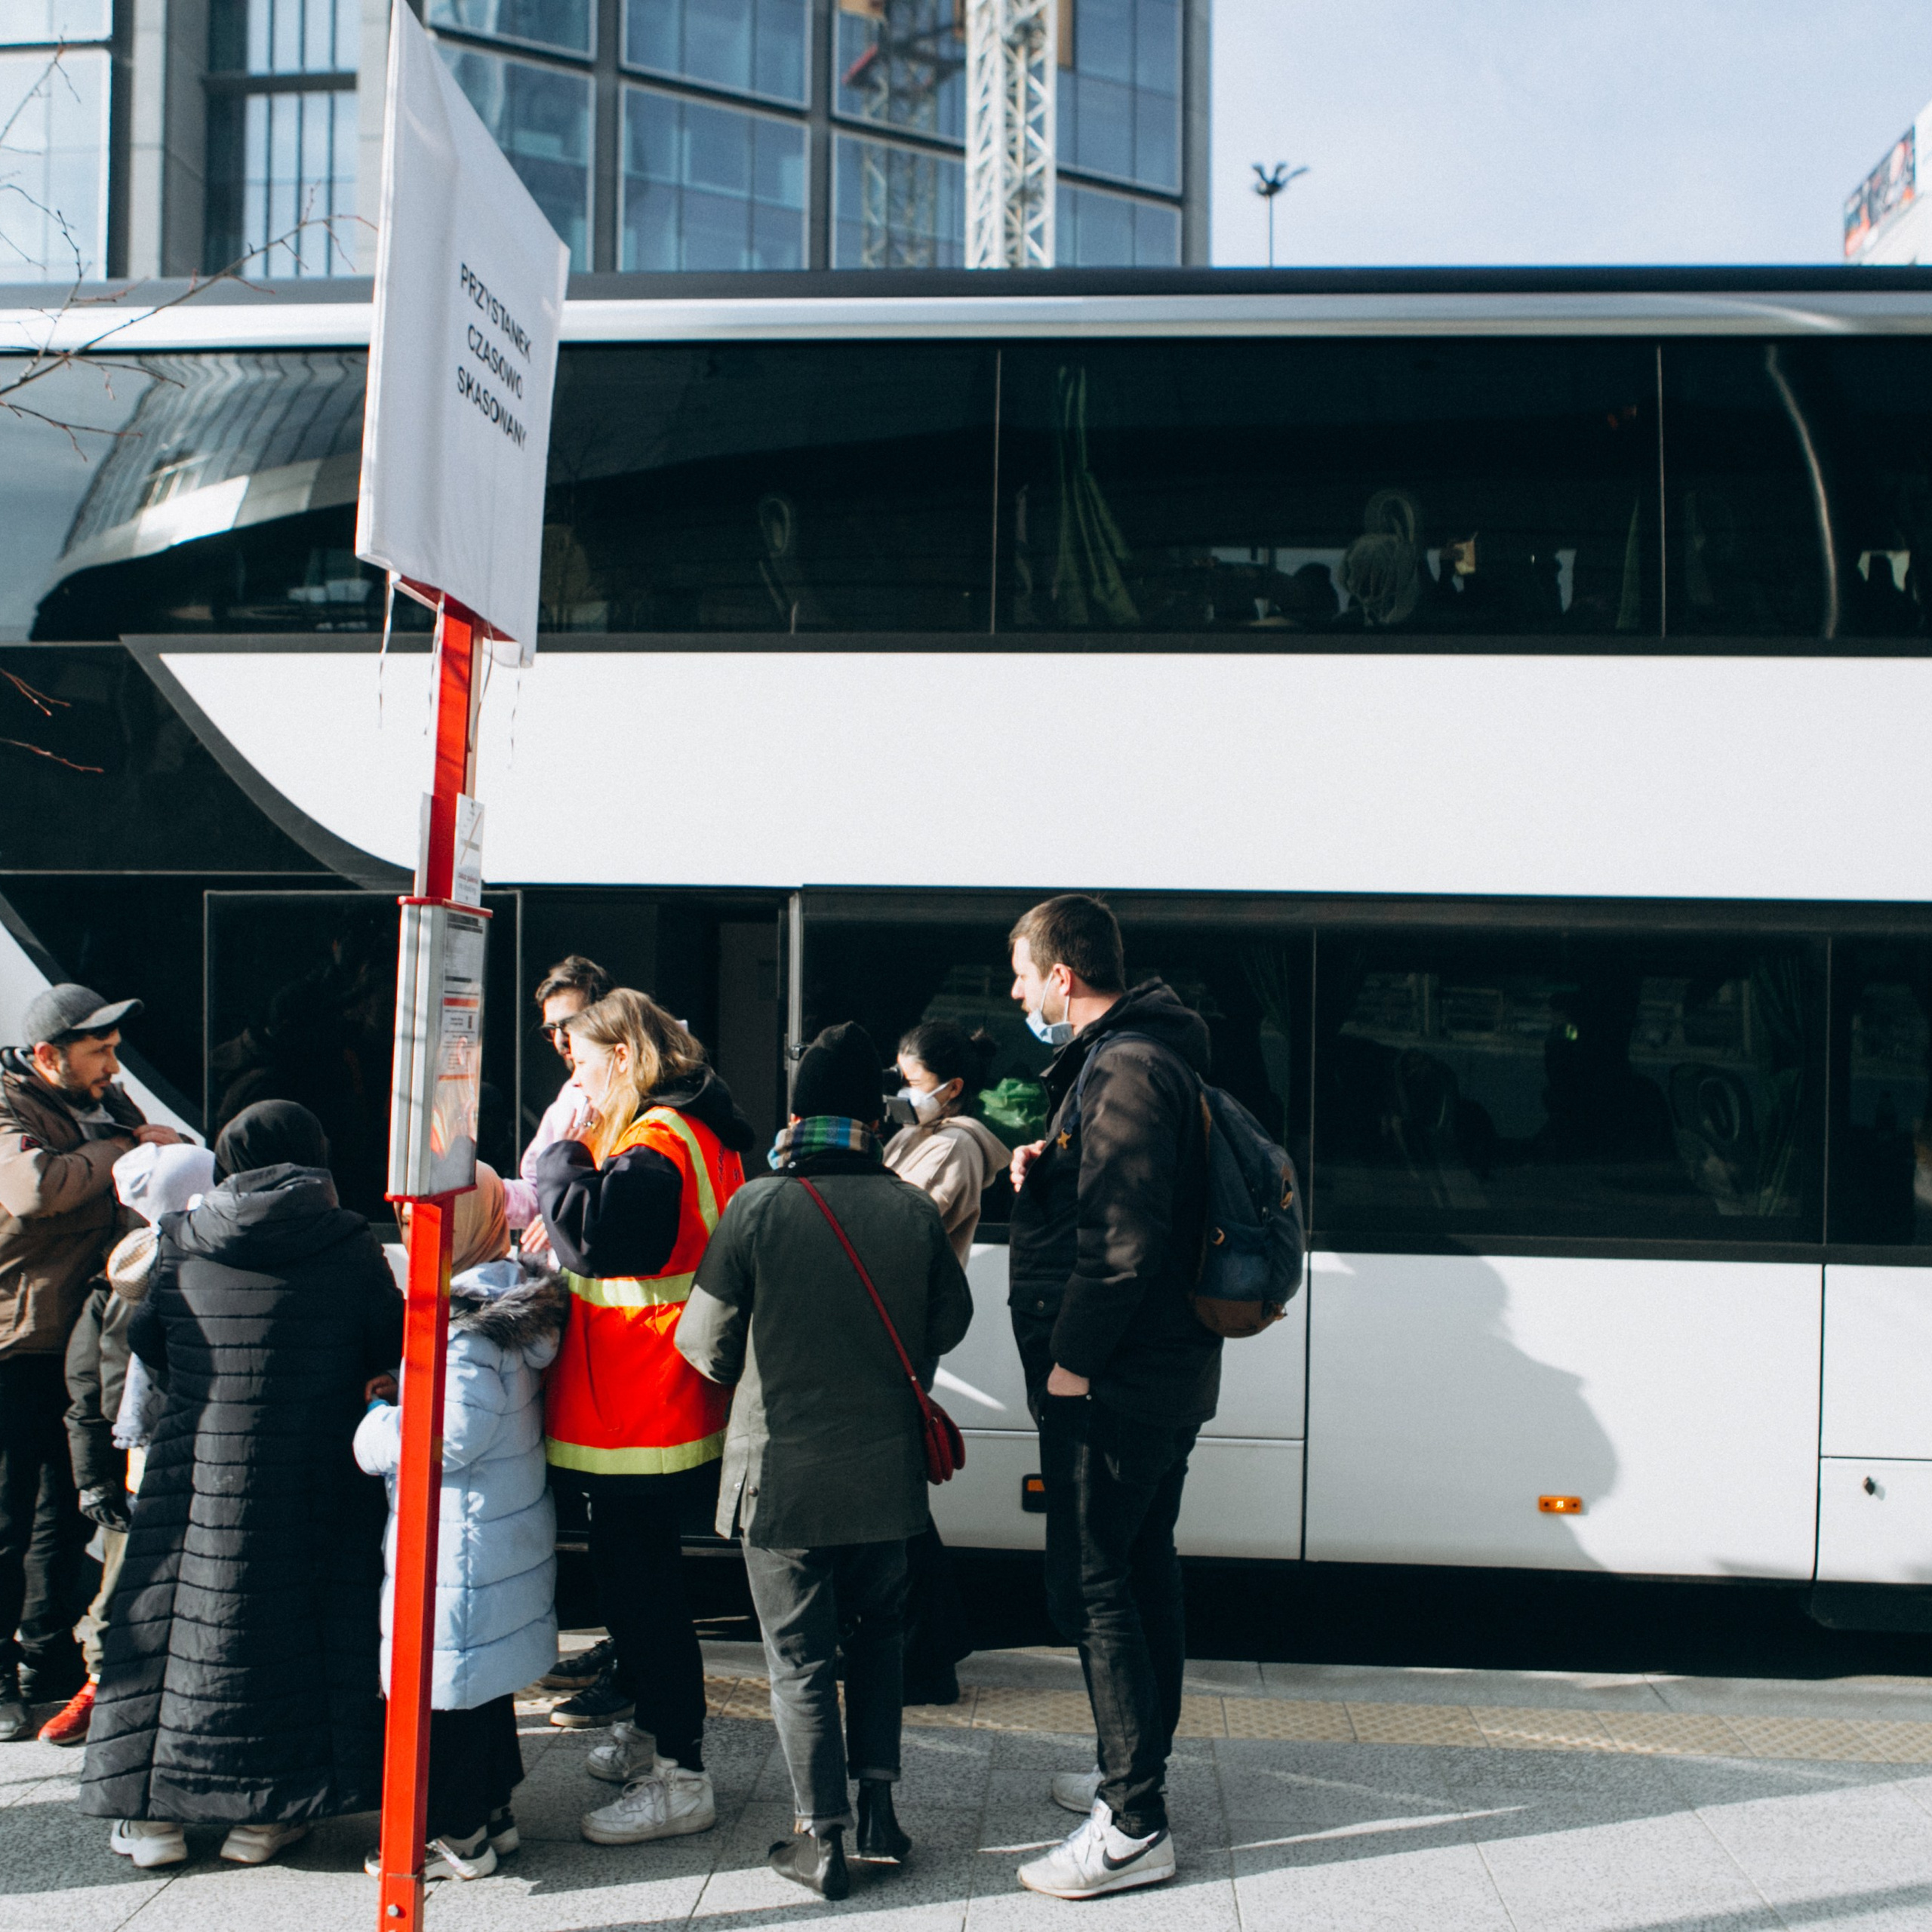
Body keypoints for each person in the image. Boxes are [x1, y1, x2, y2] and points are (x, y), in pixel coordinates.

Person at [678, 1023, 973, 1899]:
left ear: (795, 1116)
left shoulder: (757, 1206)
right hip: (885, 1476)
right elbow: (948, 1323)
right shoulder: (909, 1208)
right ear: (873, 1120)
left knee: (800, 1657)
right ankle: (879, 1811)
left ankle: (821, 1837)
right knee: (878, 1636)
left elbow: (706, 1346)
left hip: (781, 1477)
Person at [80, 1100, 403, 1869]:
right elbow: (387, 1340)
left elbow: (150, 1340)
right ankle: (265, 1818)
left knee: (172, 1633)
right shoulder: (348, 1241)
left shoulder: (183, 1237)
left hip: (194, 1468)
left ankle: (151, 1821)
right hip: (310, 1465)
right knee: (290, 1630)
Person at [1004, 895, 1214, 1900]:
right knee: (1141, 1566)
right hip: (1164, 1368)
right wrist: (1051, 1163)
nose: (1016, 994)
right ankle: (1133, 1771)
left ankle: (1133, 1821)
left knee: (1097, 1583)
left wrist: (1071, 1363)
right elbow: (1128, 1195)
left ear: (1063, 975)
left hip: (1122, 1374)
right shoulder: (1147, 1057)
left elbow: (1123, 1243)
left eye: (1022, 974)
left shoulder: (1124, 1066)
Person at [531, 988, 755, 1845]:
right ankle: (655, 1735)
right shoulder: (700, 1128)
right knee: (640, 1583)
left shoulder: (655, 1140)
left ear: (624, 1057)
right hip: (659, 1397)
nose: (580, 1085)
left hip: (638, 1402)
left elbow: (595, 1241)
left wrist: (561, 1151)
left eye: (586, 1066)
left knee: (644, 1593)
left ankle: (679, 1771)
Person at [356, 1163, 567, 1883]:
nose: (410, 1231)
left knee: (443, 1690)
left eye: (421, 1219)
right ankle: (494, 1815)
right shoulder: (509, 1302)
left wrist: (376, 1425)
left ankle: (458, 1835)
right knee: (482, 1686)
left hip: (458, 1536)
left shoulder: (465, 1329)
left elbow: (447, 1440)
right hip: (495, 1527)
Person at [0, 983, 180, 1742]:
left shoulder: (104, 1099)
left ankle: (46, 1659)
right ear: (48, 1055)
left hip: (88, 1339)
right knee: (9, 1514)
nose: (112, 1065)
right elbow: (36, 1188)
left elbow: (159, 1157)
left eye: (113, 1050)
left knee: (63, 1509)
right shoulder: (10, 1106)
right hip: (21, 1341)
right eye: (98, 1051)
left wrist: (145, 1144)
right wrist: (125, 1149)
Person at [40, 1142, 216, 1748]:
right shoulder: (127, 1276)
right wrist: (95, 1476)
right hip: (145, 1458)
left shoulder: (221, 1266)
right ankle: (100, 1681)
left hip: (198, 1452)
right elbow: (91, 1388)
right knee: (122, 1581)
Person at [882, 1020, 1005, 1706]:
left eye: (913, 1080)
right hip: (896, 1330)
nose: (902, 1091)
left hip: (905, 1334)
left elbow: (902, 1229)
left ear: (952, 1087)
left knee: (897, 1494)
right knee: (894, 1491)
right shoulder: (918, 1135)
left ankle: (928, 1653)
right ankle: (926, 1647)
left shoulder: (953, 1147)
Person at [502, 955, 612, 1262]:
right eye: (552, 1029)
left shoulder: (643, 1096)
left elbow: (626, 1202)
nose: (561, 1040)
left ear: (608, 1017)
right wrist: (486, 1195)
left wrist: (561, 1221)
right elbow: (537, 1190)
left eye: (571, 1024)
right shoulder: (568, 1097)